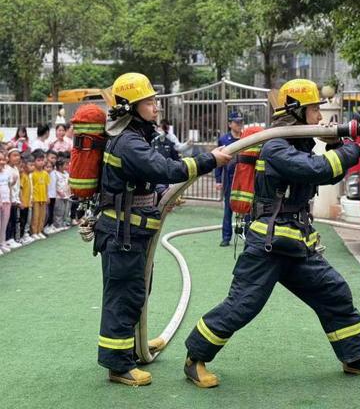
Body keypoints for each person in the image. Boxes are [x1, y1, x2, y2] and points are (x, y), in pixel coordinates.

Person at [184, 79, 360, 388]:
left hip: (296, 244)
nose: (320, 118)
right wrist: (355, 150)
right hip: (269, 246)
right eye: (314, 110)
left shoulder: (298, 143)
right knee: (242, 305)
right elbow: (313, 169)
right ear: (296, 111)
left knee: (334, 292)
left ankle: (354, 358)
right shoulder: (276, 146)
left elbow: (328, 170)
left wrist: (342, 143)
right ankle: (194, 358)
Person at [93, 72, 231, 387]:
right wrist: (209, 160)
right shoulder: (128, 141)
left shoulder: (134, 137)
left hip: (134, 234)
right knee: (123, 296)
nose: (156, 108)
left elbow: (135, 184)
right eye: (150, 102)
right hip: (123, 236)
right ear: (130, 107)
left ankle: (134, 347)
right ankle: (118, 365)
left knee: (136, 291)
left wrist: (158, 197)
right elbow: (164, 168)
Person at [215, 111, 244, 246]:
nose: (239, 125)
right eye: (236, 122)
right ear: (230, 124)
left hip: (244, 178)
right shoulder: (224, 140)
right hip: (230, 178)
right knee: (228, 209)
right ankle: (226, 238)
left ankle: (249, 237)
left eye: (241, 122)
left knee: (247, 206)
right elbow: (218, 161)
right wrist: (218, 180)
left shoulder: (246, 138)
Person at [30, 150, 50, 240]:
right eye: (38, 160)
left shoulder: (45, 173)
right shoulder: (32, 173)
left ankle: (39, 230)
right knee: (35, 216)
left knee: (42, 216)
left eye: (42, 160)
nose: (41, 162)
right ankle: (34, 232)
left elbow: (46, 186)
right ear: (33, 161)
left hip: (43, 198)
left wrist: (47, 196)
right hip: (35, 198)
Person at [5, 148, 22, 250]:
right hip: (8, 199)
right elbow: (8, 186)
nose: (17, 157)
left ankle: (11, 238)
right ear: (8, 157)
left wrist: (17, 198)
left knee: (14, 219)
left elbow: (17, 186)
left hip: (15, 199)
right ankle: (7, 239)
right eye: (14, 155)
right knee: (9, 220)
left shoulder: (15, 168)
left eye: (18, 155)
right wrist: (12, 199)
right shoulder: (6, 169)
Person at [19, 156, 35, 245]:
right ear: (24, 165)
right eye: (30, 165)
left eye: (33, 165)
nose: (32, 167)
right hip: (23, 204)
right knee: (21, 221)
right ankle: (20, 237)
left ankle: (24, 235)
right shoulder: (23, 176)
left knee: (26, 220)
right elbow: (20, 189)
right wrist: (21, 201)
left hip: (28, 203)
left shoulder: (29, 176)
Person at [0, 151, 13, 255]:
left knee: (4, 224)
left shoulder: (7, 172)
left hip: (6, 201)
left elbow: (9, 186)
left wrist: (10, 199)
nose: (2, 162)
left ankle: (2, 243)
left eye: (3, 159)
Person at [53, 158, 70, 231]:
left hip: (67, 195)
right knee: (59, 211)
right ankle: (58, 225)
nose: (67, 166)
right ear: (59, 166)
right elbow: (55, 184)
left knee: (65, 211)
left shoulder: (66, 173)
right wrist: (59, 192)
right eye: (65, 164)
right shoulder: (55, 173)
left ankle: (63, 222)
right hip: (59, 196)